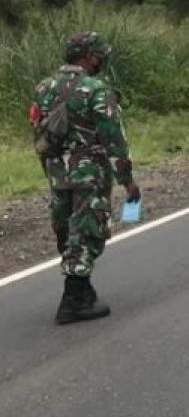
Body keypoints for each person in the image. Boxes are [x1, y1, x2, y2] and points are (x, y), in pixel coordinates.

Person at [29, 31, 140, 325]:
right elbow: (113, 138)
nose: (102, 59)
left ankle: (83, 289)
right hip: (89, 171)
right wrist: (127, 180)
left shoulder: (43, 88)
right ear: (89, 57)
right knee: (88, 229)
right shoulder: (96, 90)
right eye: (99, 55)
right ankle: (74, 299)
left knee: (66, 229)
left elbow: (38, 134)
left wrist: (52, 168)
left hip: (56, 171)